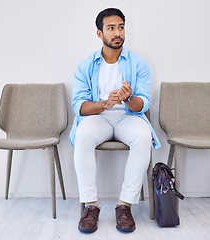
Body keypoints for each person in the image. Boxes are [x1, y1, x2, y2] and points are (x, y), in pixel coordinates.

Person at [69, 8, 161, 233]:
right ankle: (90, 206)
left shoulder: (139, 64)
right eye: (111, 28)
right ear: (100, 33)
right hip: (98, 116)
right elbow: (79, 107)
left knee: (142, 136)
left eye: (120, 27)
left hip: (128, 117)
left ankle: (124, 206)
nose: (117, 32)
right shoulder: (85, 66)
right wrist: (104, 104)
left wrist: (129, 98)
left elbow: (143, 104)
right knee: (82, 135)